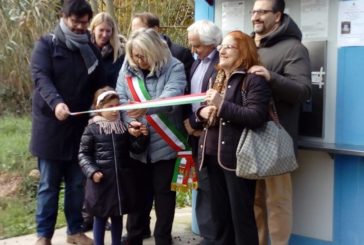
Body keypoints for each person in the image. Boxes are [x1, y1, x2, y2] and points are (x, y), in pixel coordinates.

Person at [29, 0, 106, 244]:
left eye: (85, 23)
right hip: (50, 129)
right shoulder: (46, 45)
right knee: (48, 186)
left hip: (79, 129)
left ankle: (74, 231)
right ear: (64, 17)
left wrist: (102, 102)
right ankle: (44, 235)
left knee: (76, 184)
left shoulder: (90, 50)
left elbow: (99, 83)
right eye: (76, 22)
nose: (81, 28)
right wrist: (57, 103)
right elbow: (41, 78)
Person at [123, 11, 194, 242]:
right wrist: (131, 123)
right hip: (138, 142)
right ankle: (134, 235)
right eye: (135, 56)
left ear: (154, 51)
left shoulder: (174, 66)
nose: (139, 61)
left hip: (166, 142)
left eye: (143, 56)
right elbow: (122, 100)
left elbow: (172, 98)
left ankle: (163, 237)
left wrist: (146, 109)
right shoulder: (128, 65)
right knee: (138, 194)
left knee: (164, 195)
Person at [196, 30, 271, 245]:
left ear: (244, 51)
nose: (222, 50)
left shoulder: (253, 80)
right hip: (210, 156)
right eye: (222, 46)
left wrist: (221, 105)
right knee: (219, 218)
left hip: (238, 160)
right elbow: (203, 108)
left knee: (241, 220)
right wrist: (200, 113)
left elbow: (256, 117)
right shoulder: (215, 77)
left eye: (229, 46)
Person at [248, 1, 312, 244]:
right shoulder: (247, 43)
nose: (256, 16)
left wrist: (270, 77)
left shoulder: (294, 48)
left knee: (277, 202)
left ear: (277, 16)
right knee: (254, 201)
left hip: (277, 139)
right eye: (254, 11)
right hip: (247, 138)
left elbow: (303, 91)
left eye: (262, 12)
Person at [78, 86, 149, 245]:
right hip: (101, 183)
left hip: (120, 183)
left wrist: (142, 137)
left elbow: (135, 149)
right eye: (110, 107)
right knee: (100, 217)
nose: (115, 110)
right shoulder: (92, 129)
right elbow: (83, 154)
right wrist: (92, 171)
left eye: (117, 106)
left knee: (118, 216)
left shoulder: (123, 128)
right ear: (98, 108)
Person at [184, 20, 222, 245]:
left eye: (197, 45)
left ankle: (212, 237)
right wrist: (189, 123)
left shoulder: (219, 64)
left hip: (210, 133)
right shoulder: (196, 62)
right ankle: (208, 234)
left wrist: (197, 124)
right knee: (202, 185)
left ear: (210, 43)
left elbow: (215, 102)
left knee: (211, 189)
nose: (193, 50)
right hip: (194, 131)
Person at [131, 12, 194, 78]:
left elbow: (186, 85)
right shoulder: (131, 55)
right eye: (133, 32)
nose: (135, 36)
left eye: (140, 31)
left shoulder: (181, 54)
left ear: (155, 30)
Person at [90, 12, 126, 88]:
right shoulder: (85, 50)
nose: (104, 35)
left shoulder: (120, 54)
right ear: (93, 29)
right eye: (101, 30)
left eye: (108, 31)